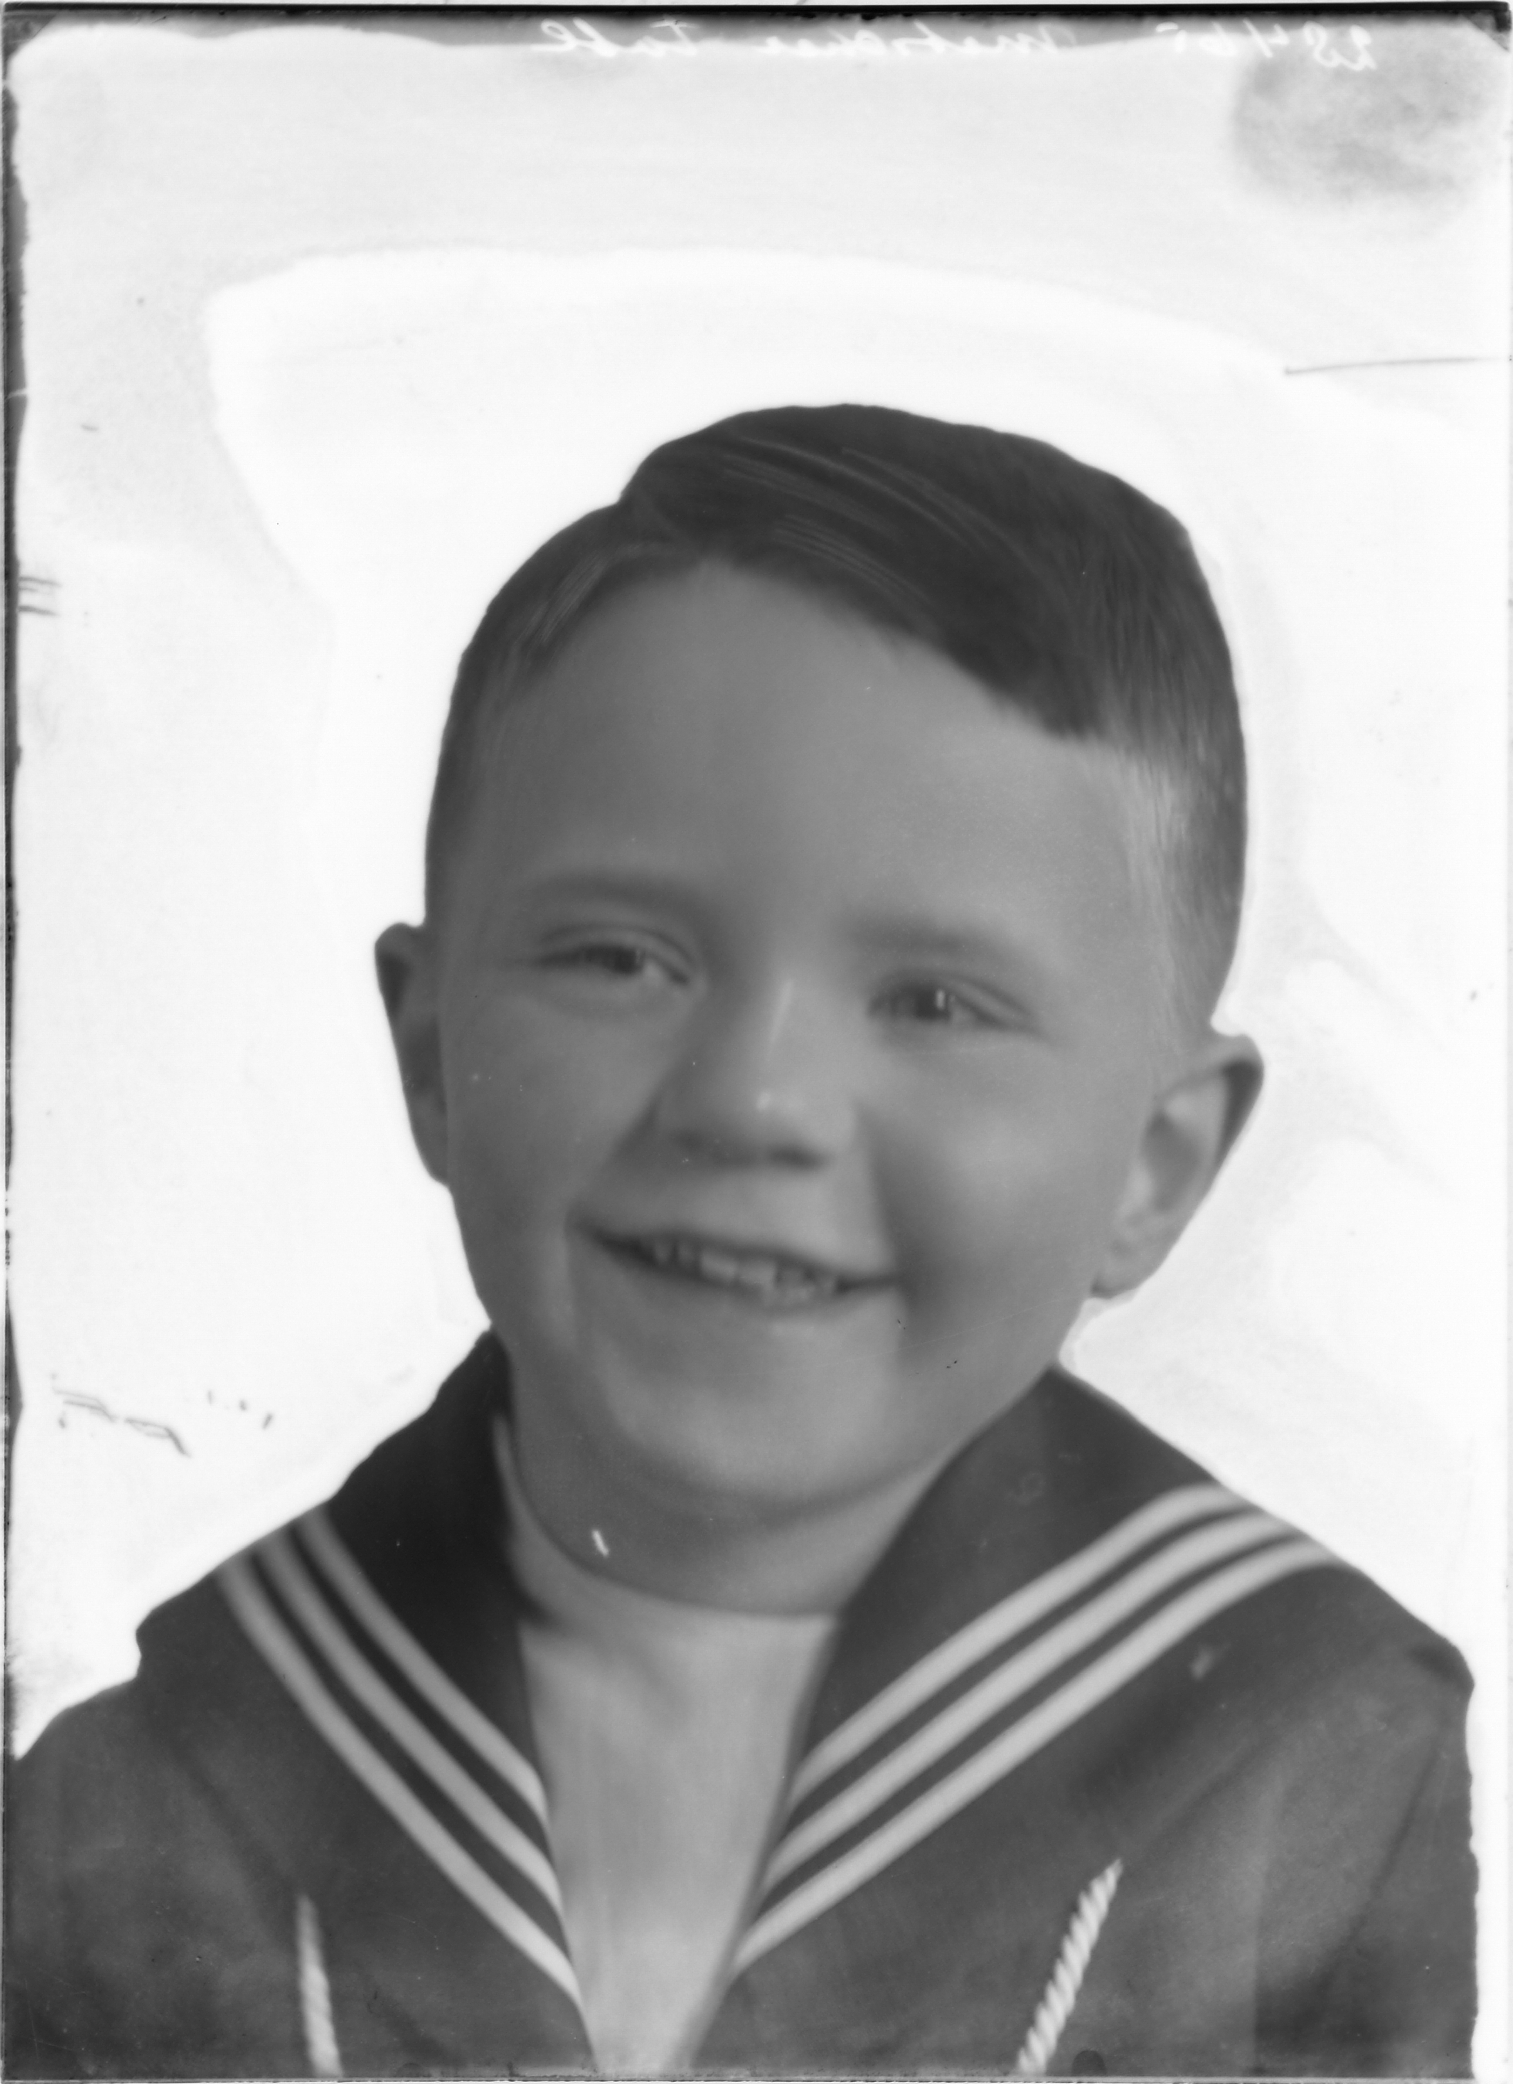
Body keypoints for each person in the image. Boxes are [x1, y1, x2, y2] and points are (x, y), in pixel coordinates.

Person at [5, 405, 1476, 2079]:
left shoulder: (1310, 1767)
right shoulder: (126, 1815)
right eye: (620, 959)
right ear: (429, 1056)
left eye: (934, 1002)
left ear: (1153, 1166)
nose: (752, 1101)